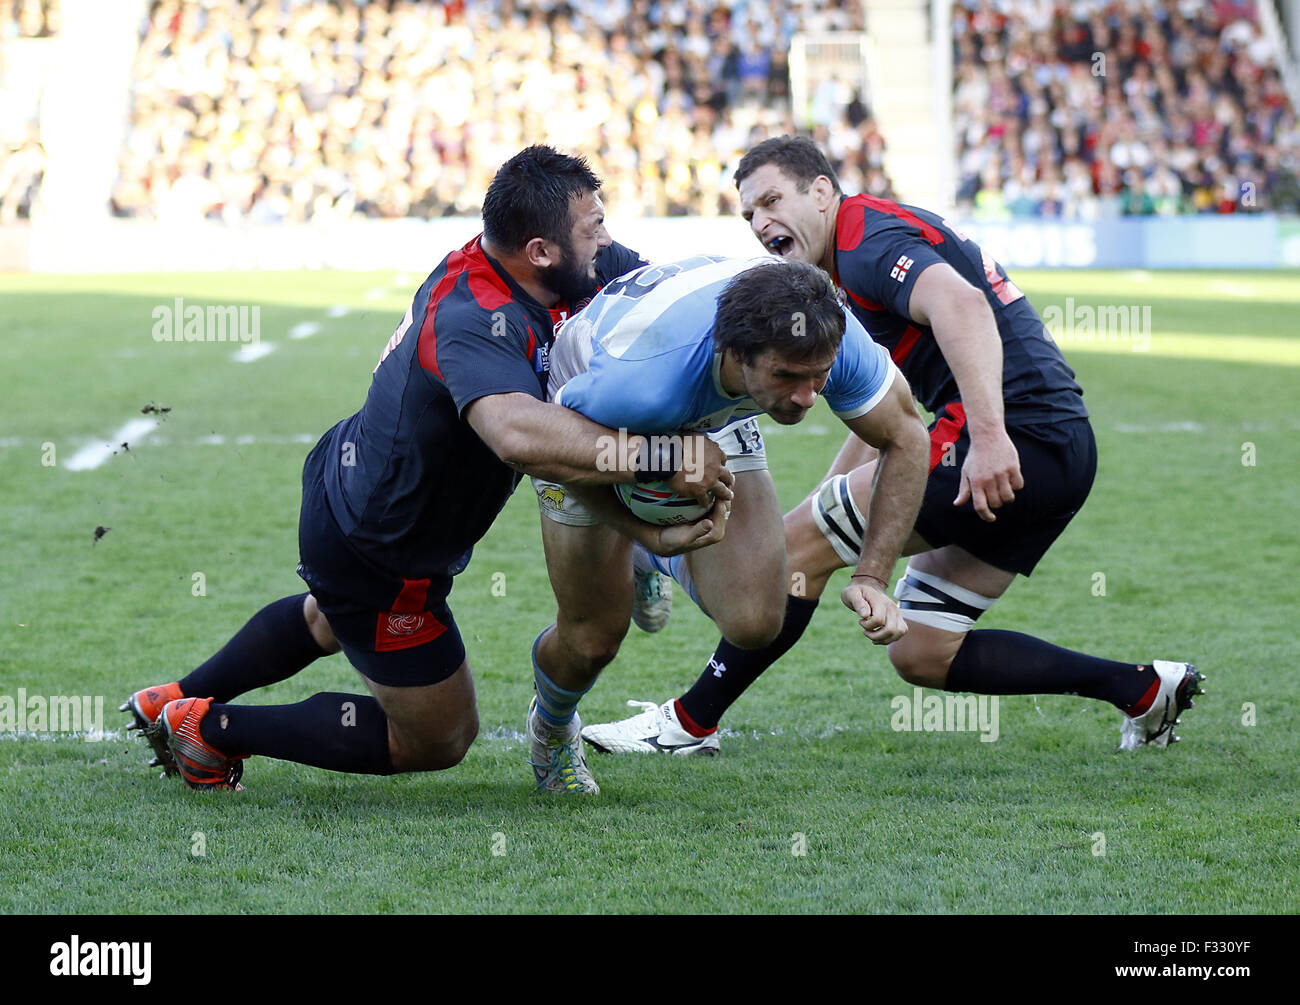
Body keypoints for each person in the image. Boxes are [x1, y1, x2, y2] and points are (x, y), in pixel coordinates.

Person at [119, 145, 732, 790]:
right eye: (593, 229)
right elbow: (516, 436)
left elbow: (659, 294)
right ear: (539, 250)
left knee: (329, 618)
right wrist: (665, 458)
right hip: (381, 548)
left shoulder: (526, 265)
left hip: (349, 488)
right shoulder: (477, 318)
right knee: (438, 735)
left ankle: (172, 697)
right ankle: (207, 732)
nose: (606, 242)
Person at [582, 135, 1203, 757]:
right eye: (749, 214)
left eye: (772, 200)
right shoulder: (840, 266)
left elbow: (962, 305)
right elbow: (889, 410)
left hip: (1007, 440)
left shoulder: (863, 242)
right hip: (1060, 454)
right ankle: (1144, 690)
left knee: (793, 552)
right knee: (925, 648)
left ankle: (689, 725)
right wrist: (834, 492)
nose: (761, 221)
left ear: (822, 192)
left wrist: (988, 437)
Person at [525, 254, 932, 793]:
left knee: (756, 622)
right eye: (787, 377)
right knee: (593, 638)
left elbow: (907, 437)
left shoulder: (829, 331)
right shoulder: (636, 386)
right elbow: (544, 450)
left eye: (820, 377)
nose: (809, 398)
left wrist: (872, 577)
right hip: (587, 422)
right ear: (735, 354)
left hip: (709, 397)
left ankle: (650, 560)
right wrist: (640, 525)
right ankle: (552, 729)